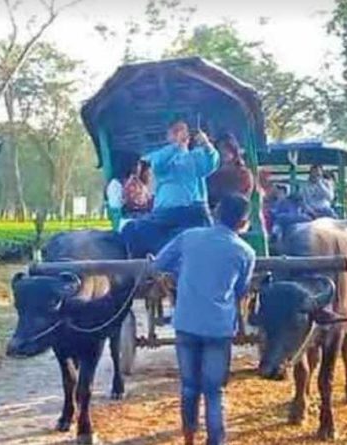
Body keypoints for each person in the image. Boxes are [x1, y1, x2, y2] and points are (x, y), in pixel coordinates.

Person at [151, 193, 255, 445]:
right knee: (214, 391)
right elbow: (241, 291)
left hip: (186, 323)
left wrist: (182, 271)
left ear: (215, 214)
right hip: (218, 328)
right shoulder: (246, 252)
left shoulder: (189, 237)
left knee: (189, 387)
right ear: (243, 223)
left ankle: (189, 439)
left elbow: (159, 264)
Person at [122, 120, 220, 258]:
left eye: (182, 130)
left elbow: (212, 163)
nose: (179, 134)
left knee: (209, 238)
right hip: (164, 215)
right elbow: (157, 165)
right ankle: (141, 268)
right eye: (175, 131)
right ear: (168, 137)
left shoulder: (196, 156)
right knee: (131, 230)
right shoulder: (157, 155)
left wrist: (206, 144)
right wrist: (176, 146)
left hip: (193, 213)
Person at [206, 133, 255, 210]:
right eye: (219, 149)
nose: (223, 152)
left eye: (226, 149)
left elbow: (244, 197)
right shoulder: (211, 175)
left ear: (233, 150)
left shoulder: (243, 174)